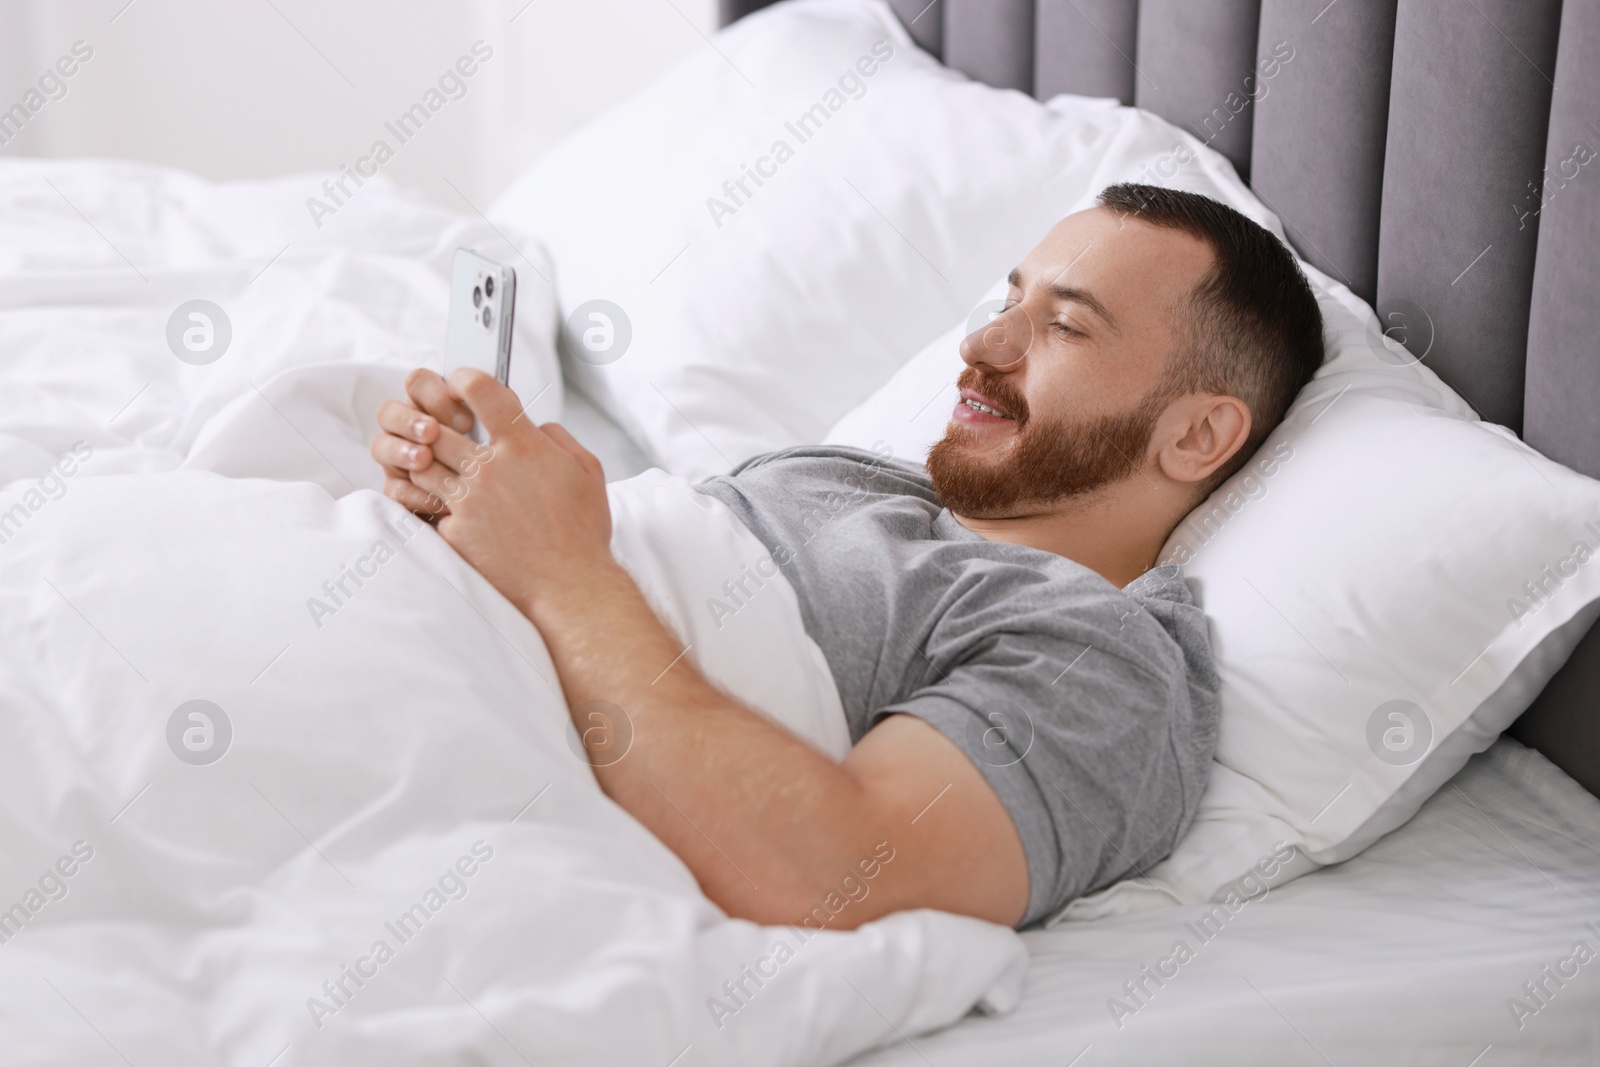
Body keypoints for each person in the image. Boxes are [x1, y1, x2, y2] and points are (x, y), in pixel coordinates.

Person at [368, 183, 1324, 930]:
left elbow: (834, 871)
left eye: (1065, 325)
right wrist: (464, 501)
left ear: (1199, 436)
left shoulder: (1105, 659)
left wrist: (558, 568)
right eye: (1008, 300)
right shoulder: (852, 476)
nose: (983, 341)